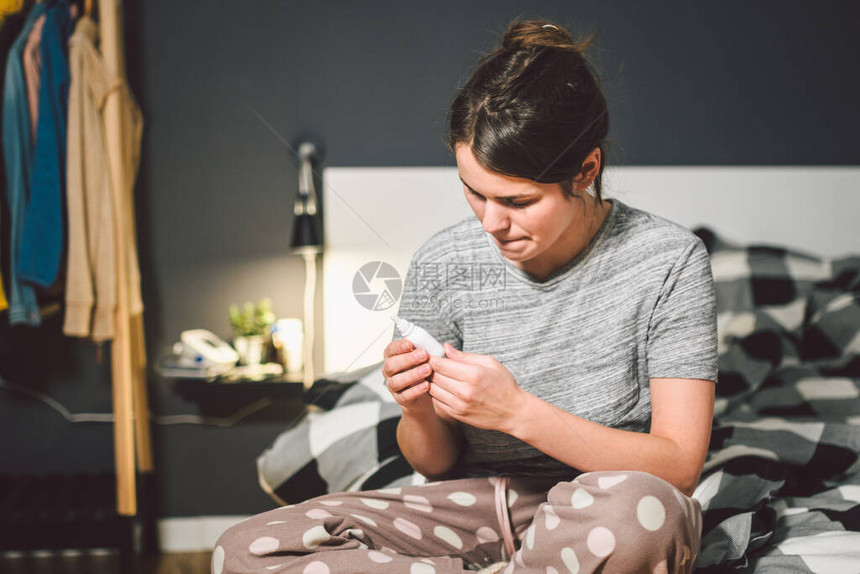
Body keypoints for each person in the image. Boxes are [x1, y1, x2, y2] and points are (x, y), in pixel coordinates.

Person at [214, 18, 716, 574]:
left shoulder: (670, 261)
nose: (491, 223)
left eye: (518, 201)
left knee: (645, 515)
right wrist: (417, 409)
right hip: (471, 507)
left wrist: (517, 411)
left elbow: (678, 466)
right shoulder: (442, 261)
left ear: (585, 170)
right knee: (245, 548)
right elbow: (433, 461)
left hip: (600, 509)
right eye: (473, 193)